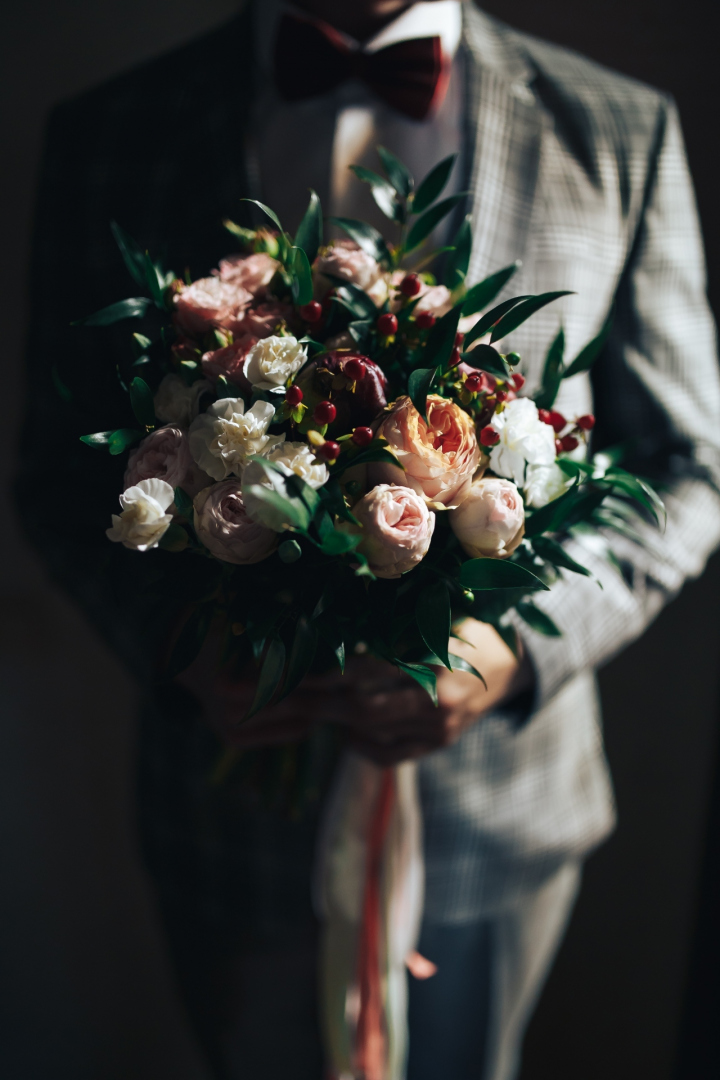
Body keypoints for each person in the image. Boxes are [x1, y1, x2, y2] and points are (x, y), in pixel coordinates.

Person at [16, 0, 720, 1077]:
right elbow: (58, 472)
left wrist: (522, 647)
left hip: (503, 824)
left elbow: (688, 466)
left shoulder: (618, 129)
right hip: (228, 823)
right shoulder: (118, 124)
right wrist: (180, 646)